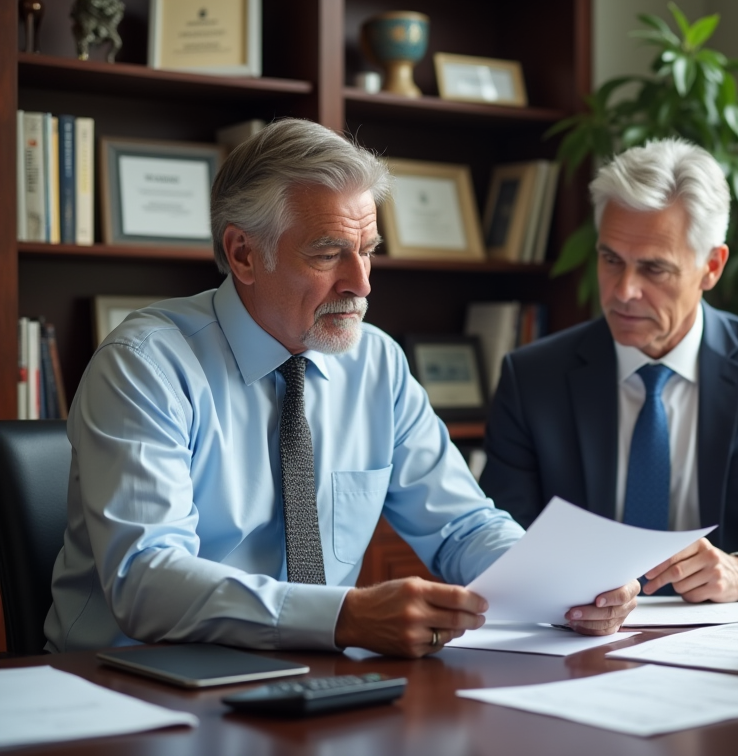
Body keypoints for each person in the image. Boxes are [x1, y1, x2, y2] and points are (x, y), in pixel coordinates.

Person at [44, 118, 638, 657]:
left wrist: (564, 584)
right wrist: (342, 617)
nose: (362, 284)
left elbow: (461, 526)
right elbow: (147, 579)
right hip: (130, 683)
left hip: (313, 677)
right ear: (243, 253)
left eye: (368, 252)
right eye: (329, 253)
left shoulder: (377, 362)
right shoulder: (146, 365)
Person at [481, 138, 738, 603]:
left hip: (730, 648)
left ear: (711, 267)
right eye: (610, 260)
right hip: (574, 640)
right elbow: (497, 539)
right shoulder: (532, 378)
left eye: (654, 269)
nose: (624, 291)